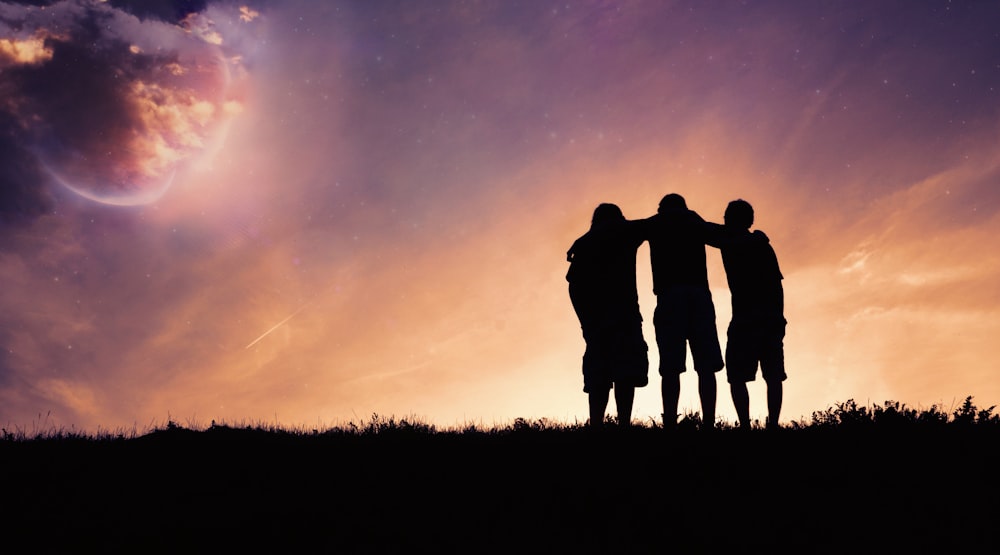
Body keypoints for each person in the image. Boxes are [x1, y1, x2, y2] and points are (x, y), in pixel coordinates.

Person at [639, 194, 724, 430]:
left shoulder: (655, 223)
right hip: (698, 294)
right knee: (706, 366)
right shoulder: (693, 221)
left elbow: (623, 230)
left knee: (670, 367)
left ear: (660, 208)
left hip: (669, 296)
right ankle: (708, 424)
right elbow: (722, 236)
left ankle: (670, 424)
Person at [705, 199, 786, 430]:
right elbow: (776, 285)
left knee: (739, 376)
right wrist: (779, 317)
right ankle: (772, 424)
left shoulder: (729, 240)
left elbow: (705, 230)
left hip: (746, 319)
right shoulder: (759, 243)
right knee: (772, 375)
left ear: (729, 219)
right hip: (767, 317)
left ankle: (745, 425)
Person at [566, 203, 649, 428]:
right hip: (625, 318)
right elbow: (651, 224)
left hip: (597, 321)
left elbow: (573, 285)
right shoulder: (625, 232)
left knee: (599, 377)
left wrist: (586, 322)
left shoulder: (585, 243)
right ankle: (623, 425)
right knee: (625, 374)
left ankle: (596, 426)